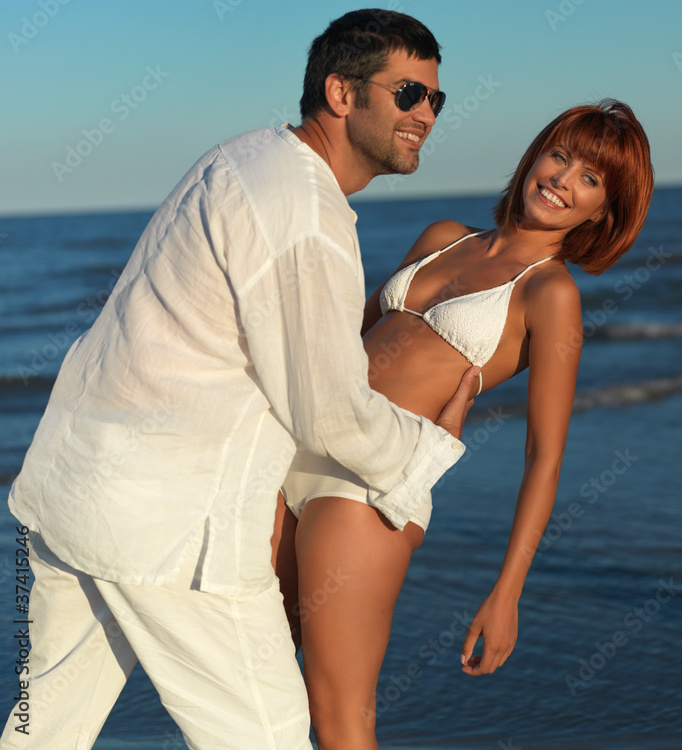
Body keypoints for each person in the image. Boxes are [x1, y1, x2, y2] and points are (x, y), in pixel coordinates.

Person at [2, 10, 480, 749]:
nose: (426, 114)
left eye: (436, 100)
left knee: (44, 732)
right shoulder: (306, 212)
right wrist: (426, 451)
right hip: (172, 527)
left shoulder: (242, 157)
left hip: (76, 489)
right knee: (271, 735)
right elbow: (328, 411)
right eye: (409, 92)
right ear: (341, 93)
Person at [272, 99, 654, 749]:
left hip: (370, 486)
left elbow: (545, 455)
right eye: (559, 156)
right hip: (295, 454)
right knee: (255, 678)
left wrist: (507, 593)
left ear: (603, 213)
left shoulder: (549, 294)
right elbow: (340, 343)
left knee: (337, 713)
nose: (563, 180)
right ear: (535, 155)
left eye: (590, 179)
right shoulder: (442, 236)